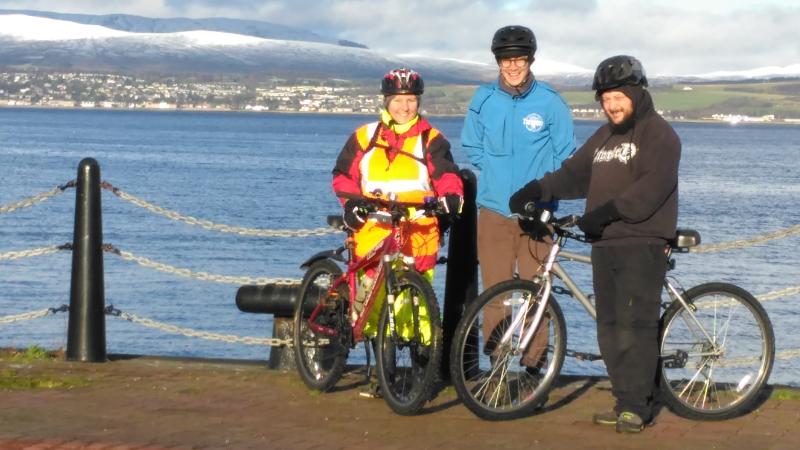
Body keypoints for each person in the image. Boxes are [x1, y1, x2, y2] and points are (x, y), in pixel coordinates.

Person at [509, 55, 681, 433]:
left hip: (642, 242)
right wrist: (536, 190)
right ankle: (626, 402)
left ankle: (636, 408)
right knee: (609, 327)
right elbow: (573, 174)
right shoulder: (604, 137)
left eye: (618, 97)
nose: (612, 105)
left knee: (635, 327)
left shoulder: (660, 135)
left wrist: (603, 213)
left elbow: (649, 191)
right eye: (605, 99)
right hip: (604, 245)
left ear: (637, 93)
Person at [460, 25, 576, 369]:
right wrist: (496, 174)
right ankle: (496, 359)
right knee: (494, 290)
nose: (513, 67)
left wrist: (541, 188)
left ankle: (534, 366)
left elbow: (564, 153)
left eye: (519, 60)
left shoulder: (550, 101)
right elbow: (471, 145)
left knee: (536, 292)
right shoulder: (483, 99)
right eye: (506, 60)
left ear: (530, 60)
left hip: (537, 214)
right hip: (494, 211)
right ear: (498, 62)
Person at [332, 67, 464, 327]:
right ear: (386, 102)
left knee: (419, 308)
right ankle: (376, 353)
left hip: (418, 229)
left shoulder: (432, 140)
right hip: (374, 227)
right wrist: (352, 203)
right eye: (398, 100)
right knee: (372, 302)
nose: (405, 107)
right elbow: (343, 175)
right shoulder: (365, 137)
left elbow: (447, 174)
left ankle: (423, 361)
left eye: (411, 100)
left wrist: (452, 196)